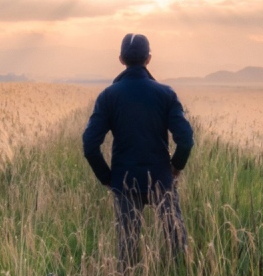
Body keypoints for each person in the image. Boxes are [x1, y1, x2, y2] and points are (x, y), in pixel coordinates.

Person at [82, 33, 194, 264]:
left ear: (121, 59)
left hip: (125, 180)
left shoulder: (108, 97)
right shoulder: (166, 94)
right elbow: (186, 139)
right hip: (162, 179)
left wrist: (107, 178)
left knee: (128, 249)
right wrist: (175, 167)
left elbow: (90, 144)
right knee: (176, 243)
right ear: (149, 59)